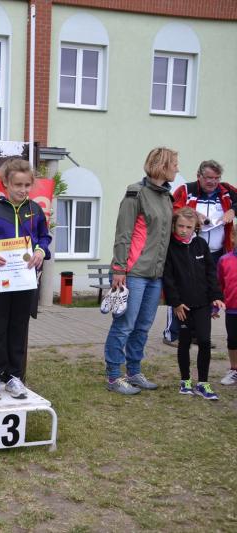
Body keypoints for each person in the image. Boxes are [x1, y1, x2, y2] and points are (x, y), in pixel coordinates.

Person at [0, 158, 51, 400]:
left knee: (19, 327)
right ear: (5, 183)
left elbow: (44, 237)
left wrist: (40, 251)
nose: (23, 190)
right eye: (18, 185)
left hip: (25, 279)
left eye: (27, 185)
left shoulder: (35, 210)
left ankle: (14, 377)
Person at [104, 147, 176, 395]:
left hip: (155, 275)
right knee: (124, 325)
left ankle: (134, 372)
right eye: (174, 164)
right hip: (133, 272)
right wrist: (119, 268)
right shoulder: (136, 193)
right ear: (162, 166)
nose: (177, 168)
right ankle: (114, 376)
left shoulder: (167, 197)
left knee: (143, 326)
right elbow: (123, 233)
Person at [163, 160, 235, 347]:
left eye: (216, 178)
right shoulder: (186, 190)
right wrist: (192, 214)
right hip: (189, 248)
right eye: (209, 177)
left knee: (205, 292)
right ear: (199, 176)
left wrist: (232, 210)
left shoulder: (226, 190)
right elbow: (171, 209)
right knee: (181, 289)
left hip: (218, 251)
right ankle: (172, 334)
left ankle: (197, 334)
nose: (213, 182)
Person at [162, 207, 225, 400]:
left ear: (195, 227)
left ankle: (203, 383)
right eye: (180, 226)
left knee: (204, 341)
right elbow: (168, 278)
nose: (184, 230)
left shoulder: (200, 244)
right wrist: (176, 303)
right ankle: (185, 381)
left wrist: (216, 296)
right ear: (174, 225)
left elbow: (211, 272)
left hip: (203, 304)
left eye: (188, 227)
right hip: (183, 306)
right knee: (185, 342)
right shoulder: (170, 247)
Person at [217, 224, 237, 386]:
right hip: (232, 310)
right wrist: (215, 305)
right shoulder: (224, 260)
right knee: (233, 340)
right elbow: (219, 285)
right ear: (233, 237)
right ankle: (234, 369)